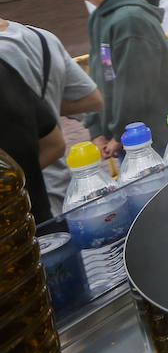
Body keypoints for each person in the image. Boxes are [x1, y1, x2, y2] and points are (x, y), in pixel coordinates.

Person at [47, 0, 168, 156]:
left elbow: (135, 86)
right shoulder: (102, 17)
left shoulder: (129, 20)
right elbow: (101, 73)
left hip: (152, 140)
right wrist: (96, 128)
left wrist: (120, 131)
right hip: (129, 136)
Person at [0, 15, 103, 222]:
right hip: (62, 188)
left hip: (21, 204)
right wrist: (48, 104)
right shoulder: (42, 37)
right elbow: (93, 99)